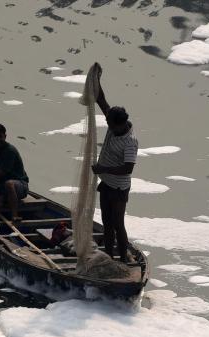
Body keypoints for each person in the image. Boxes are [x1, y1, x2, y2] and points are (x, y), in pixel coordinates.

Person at [91, 65, 138, 262]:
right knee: (106, 222)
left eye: (111, 125)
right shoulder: (113, 121)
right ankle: (109, 257)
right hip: (107, 184)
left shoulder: (130, 141)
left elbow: (128, 168)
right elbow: (101, 100)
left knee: (118, 223)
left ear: (121, 123)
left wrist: (103, 169)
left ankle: (124, 259)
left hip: (119, 187)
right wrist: (96, 79)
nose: (108, 127)